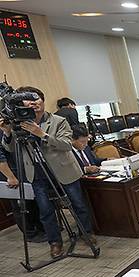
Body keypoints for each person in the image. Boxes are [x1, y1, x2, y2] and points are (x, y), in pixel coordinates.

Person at [0, 86, 95, 258]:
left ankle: (86, 232)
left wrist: (41, 134)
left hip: (63, 170)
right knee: (45, 211)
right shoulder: (18, 123)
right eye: (29, 102)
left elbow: (66, 144)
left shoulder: (58, 121)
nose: (34, 104)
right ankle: (55, 242)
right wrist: (7, 133)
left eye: (37, 101)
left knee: (77, 204)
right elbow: (11, 148)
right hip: (36, 173)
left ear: (43, 102)